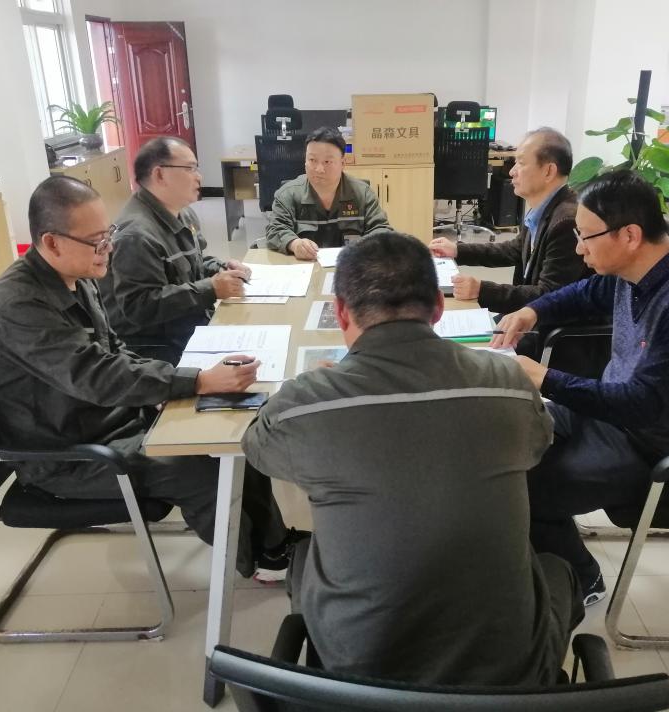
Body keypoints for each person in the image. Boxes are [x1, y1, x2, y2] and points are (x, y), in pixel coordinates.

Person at [243, 232, 583, 686]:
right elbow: (539, 443)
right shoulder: (507, 381)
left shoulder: (307, 403)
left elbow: (258, 447)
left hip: (356, 678)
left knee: (306, 556)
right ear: (438, 308)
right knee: (558, 568)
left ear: (341, 312)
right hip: (509, 678)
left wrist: (311, 390)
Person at [0, 175, 298, 581]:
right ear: (52, 242)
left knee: (236, 434)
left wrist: (168, 386)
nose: (108, 248)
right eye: (96, 241)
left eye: (107, 234)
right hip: (68, 451)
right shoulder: (20, 305)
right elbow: (95, 376)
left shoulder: (75, 275)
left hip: (109, 417)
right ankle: (259, 561)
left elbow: (113, 348)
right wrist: (195, 381)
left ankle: (273, 541)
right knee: (201, 471)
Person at [492, 170, 669, 606]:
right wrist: (532, 312)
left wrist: (545, 378)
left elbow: (641, 405)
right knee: (503, 440)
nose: (579, 248)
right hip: (615, 415)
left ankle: (582, 578)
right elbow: (587, 292)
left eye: (587, 237)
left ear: (629, 235)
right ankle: (541, 546)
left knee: (520, 489)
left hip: (660, 447)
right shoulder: (641, 267)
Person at [429, 128, 592, 362]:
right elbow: (514, 249)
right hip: (525, 319)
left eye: (521, 163)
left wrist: (482, 290)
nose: (512, 171)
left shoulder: (566, 221)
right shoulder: (545, 208)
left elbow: (548, 295)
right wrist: (458, 250)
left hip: (545, 331)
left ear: (548, 171)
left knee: (461, 357)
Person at [99, 137, 251, 365]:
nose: (199, 176)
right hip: (154, 349)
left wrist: (222, 268)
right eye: (190, 168)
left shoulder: (183, 213)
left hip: (185, 326)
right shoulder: (136, 235)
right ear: (159, 175)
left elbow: (193, 263)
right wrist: (211, 288)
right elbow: (139, 307)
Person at [265, 126, 392, 260]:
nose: (319, 169)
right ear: (305, 161)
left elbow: (381, 229)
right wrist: (294, 244)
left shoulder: (363, 193)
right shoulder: (288, 194)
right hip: (304, 267)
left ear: (343, 163)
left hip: (351, 266)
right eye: (312, 160)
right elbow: (275, 229)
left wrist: (364, 248)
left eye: (327, 162)